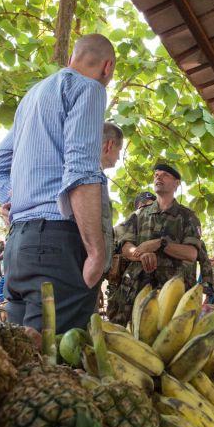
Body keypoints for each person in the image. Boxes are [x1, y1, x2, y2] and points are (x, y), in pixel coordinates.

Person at [0, 33, 116, 333]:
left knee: (22, 365)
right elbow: (81, 168)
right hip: (57, 247)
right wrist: (96, 252)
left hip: (18, 249)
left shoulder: (33, 97)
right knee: (56, 369)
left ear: (73, 57)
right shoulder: (89, 88)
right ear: (107, 67)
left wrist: (10, 199)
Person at [107, 163, 202, 325]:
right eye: (156, 175)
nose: (158, 177)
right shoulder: (138, 215)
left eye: (164, 175)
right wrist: (141, 253)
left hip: (172, 295)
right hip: (136, 292)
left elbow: (191, 254)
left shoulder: (188, 217)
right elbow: (126, 248)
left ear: (176, 183)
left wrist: (161, 243)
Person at [105, 191, 157, 316]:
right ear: (139, 205)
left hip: (133, 287)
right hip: (128, 286)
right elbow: (125, 249)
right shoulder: (131, 221)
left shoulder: (120, 226)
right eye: (145, 205)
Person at [97, 122, 124, 310]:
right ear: (109, 146)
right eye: (119, 150)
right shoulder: (90, 176)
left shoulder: (97, 176)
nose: (119, 156)